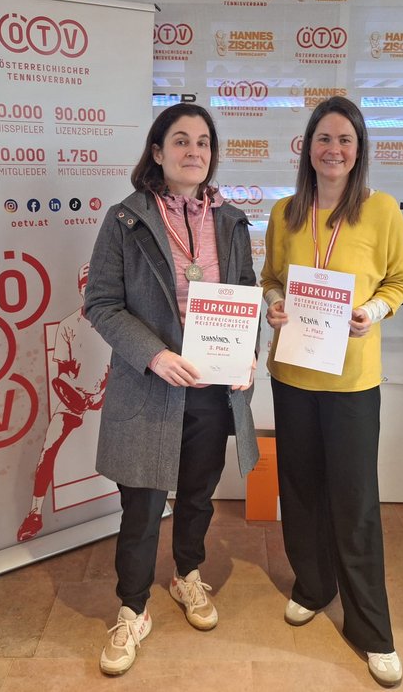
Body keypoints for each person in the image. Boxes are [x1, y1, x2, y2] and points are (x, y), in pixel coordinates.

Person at [83, 103, 259, 676]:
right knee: (141, 504)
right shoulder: (126, 220)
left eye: (203, 142)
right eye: (181, 141)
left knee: (199, 495)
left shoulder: (231, 221)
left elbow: (247, 295)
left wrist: (248, 355)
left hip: (212, 389)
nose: (194, 152)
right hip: (150, 386)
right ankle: (132, 608)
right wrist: (155, 355)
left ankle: (187, 575)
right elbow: (101, 304)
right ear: (157, 152)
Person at [260, 96, 403, 687]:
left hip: (352, 381)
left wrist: (373, 311)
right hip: (293, 376)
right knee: (300, 490)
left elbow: (402, 279)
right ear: (308, 147)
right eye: (323, 138)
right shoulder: (285, 212)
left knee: (354, 501)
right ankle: (312, 585)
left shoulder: (381, 210)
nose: (333, 149)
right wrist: (275, 303)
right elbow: (271, 278)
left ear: (358, 150)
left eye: (344, 140)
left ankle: (372, 629)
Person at [16, 263, 110, 543]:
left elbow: (124, 365)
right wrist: (77, 396)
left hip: (112, 396)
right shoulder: (68, 325)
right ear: (80, 289)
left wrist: (102, 394)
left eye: (95, 283)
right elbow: (62, 374)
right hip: (75, 399)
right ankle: (34, 514)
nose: (89, 289)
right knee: (48, 448)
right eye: (85, 285)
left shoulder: (117, 319)